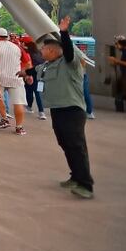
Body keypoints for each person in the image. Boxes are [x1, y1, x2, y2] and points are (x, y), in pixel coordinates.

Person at [37, 17, 94, 199]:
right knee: (65, 144)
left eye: (44, 49)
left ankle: (86, 185)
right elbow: (34, 71)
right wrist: (25, 73)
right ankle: (75, 176)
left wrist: (63, 32)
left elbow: (69, 52)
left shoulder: (70, 63)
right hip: (57, 110)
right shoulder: (48, 65)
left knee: (76, 146)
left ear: (53, 50)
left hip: (72, 111)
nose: (41, 51)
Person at [0, 26, 33, 135]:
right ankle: (19, 127)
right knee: (18, 103)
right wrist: (27, 74)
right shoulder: (17, 47)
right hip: (16, 77)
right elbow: (27, 63)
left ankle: (4, 118)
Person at [22, 38, 47, 120]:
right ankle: (41, 111)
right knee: (38, 93)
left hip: (32, 74)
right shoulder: (39, 52)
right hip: (42, 75)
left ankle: (29, 106)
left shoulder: (27, 53)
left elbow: (28, 64)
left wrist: (28, 75)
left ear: (25, 44)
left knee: (29, 90)